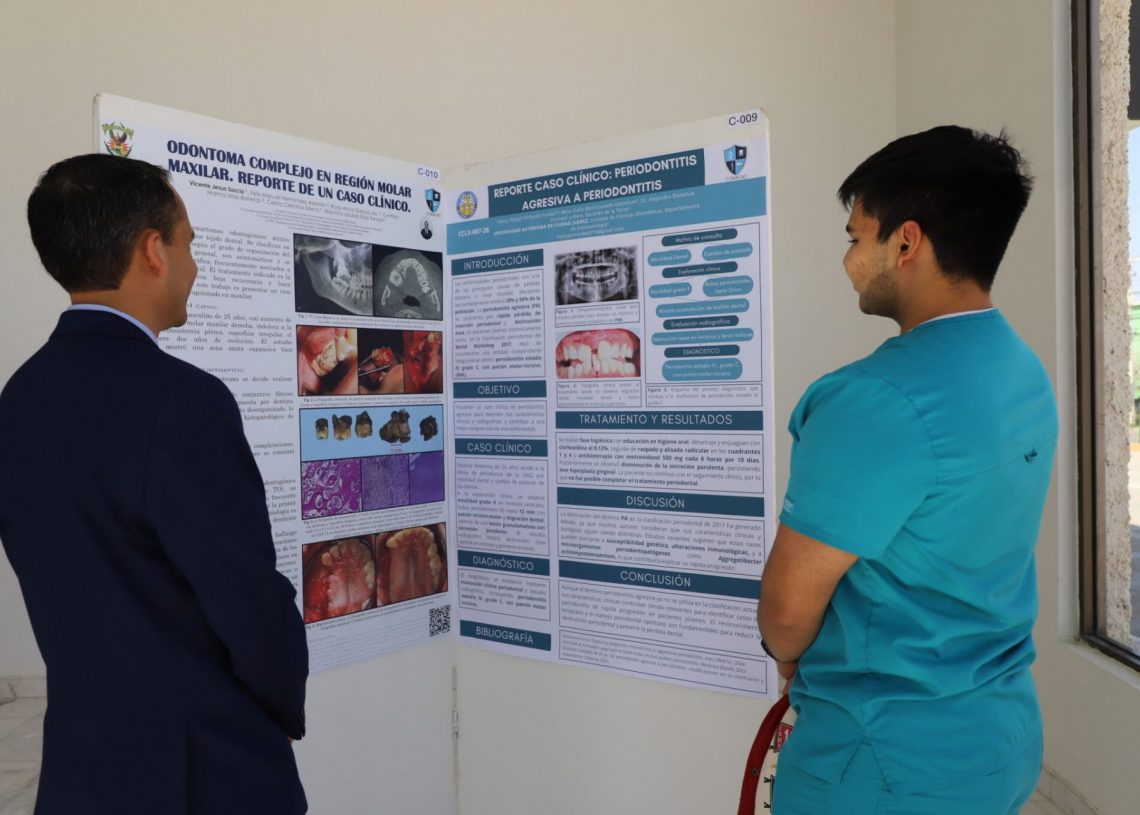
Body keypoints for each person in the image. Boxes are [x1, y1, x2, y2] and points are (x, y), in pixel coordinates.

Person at [757, 126, 1057, 814]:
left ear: (906, 242)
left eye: (855, 236)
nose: (848, 260)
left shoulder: (873, 400)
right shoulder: (1021, 367)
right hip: (998, 741)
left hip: (883, 766)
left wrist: (784, 648)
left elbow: (786, 613)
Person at [0, 154, 309, 814]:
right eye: (188, 243)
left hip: (85, 766)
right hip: (203, 769)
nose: (194, 266)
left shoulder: (18, 399)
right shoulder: (182, 401)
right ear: (153, 251)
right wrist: (283, 702)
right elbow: (245, 596)